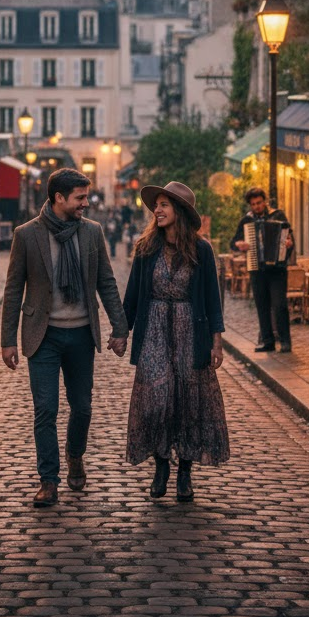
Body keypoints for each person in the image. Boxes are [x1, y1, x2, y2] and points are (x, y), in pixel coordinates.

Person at [1, 168, 129, 507]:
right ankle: (48, 480)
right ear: (59, 198)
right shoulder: (27, 235)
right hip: (43, 336)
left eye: (86, 197)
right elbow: (14, 289)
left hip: (81, 335)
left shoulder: (91, 233)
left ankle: (75, 454)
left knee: (83, 407)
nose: (86, 203)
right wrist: (7, 339)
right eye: (80, 198)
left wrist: (120, 328)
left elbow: (106, 282)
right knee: (45, 409)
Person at [124, 181, 229, 502]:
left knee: (187, 402)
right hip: (154, 330)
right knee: (156, 400)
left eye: (165, 205)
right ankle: (160, 466)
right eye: (156, 205)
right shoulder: (146, 248)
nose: (157, 210)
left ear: (179, 211)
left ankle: (184, 472)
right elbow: (132, 296)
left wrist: (216, 341)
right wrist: (120, 331)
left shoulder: (202, 250)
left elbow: (213, 298)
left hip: (189, 332)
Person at [230, 187, 296, 353]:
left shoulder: (278, 215)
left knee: (280, 304)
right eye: (253, 204)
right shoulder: (247, 221)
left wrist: (288, 244)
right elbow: (233, 243)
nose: (257, 206)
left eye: (259, 203)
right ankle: (268, 341)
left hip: (277, 269)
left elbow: (289, 239)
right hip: (257, 268)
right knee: (262, 305)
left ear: (264, 201)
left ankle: (285, 341)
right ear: (250, 205)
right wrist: (240, 245)